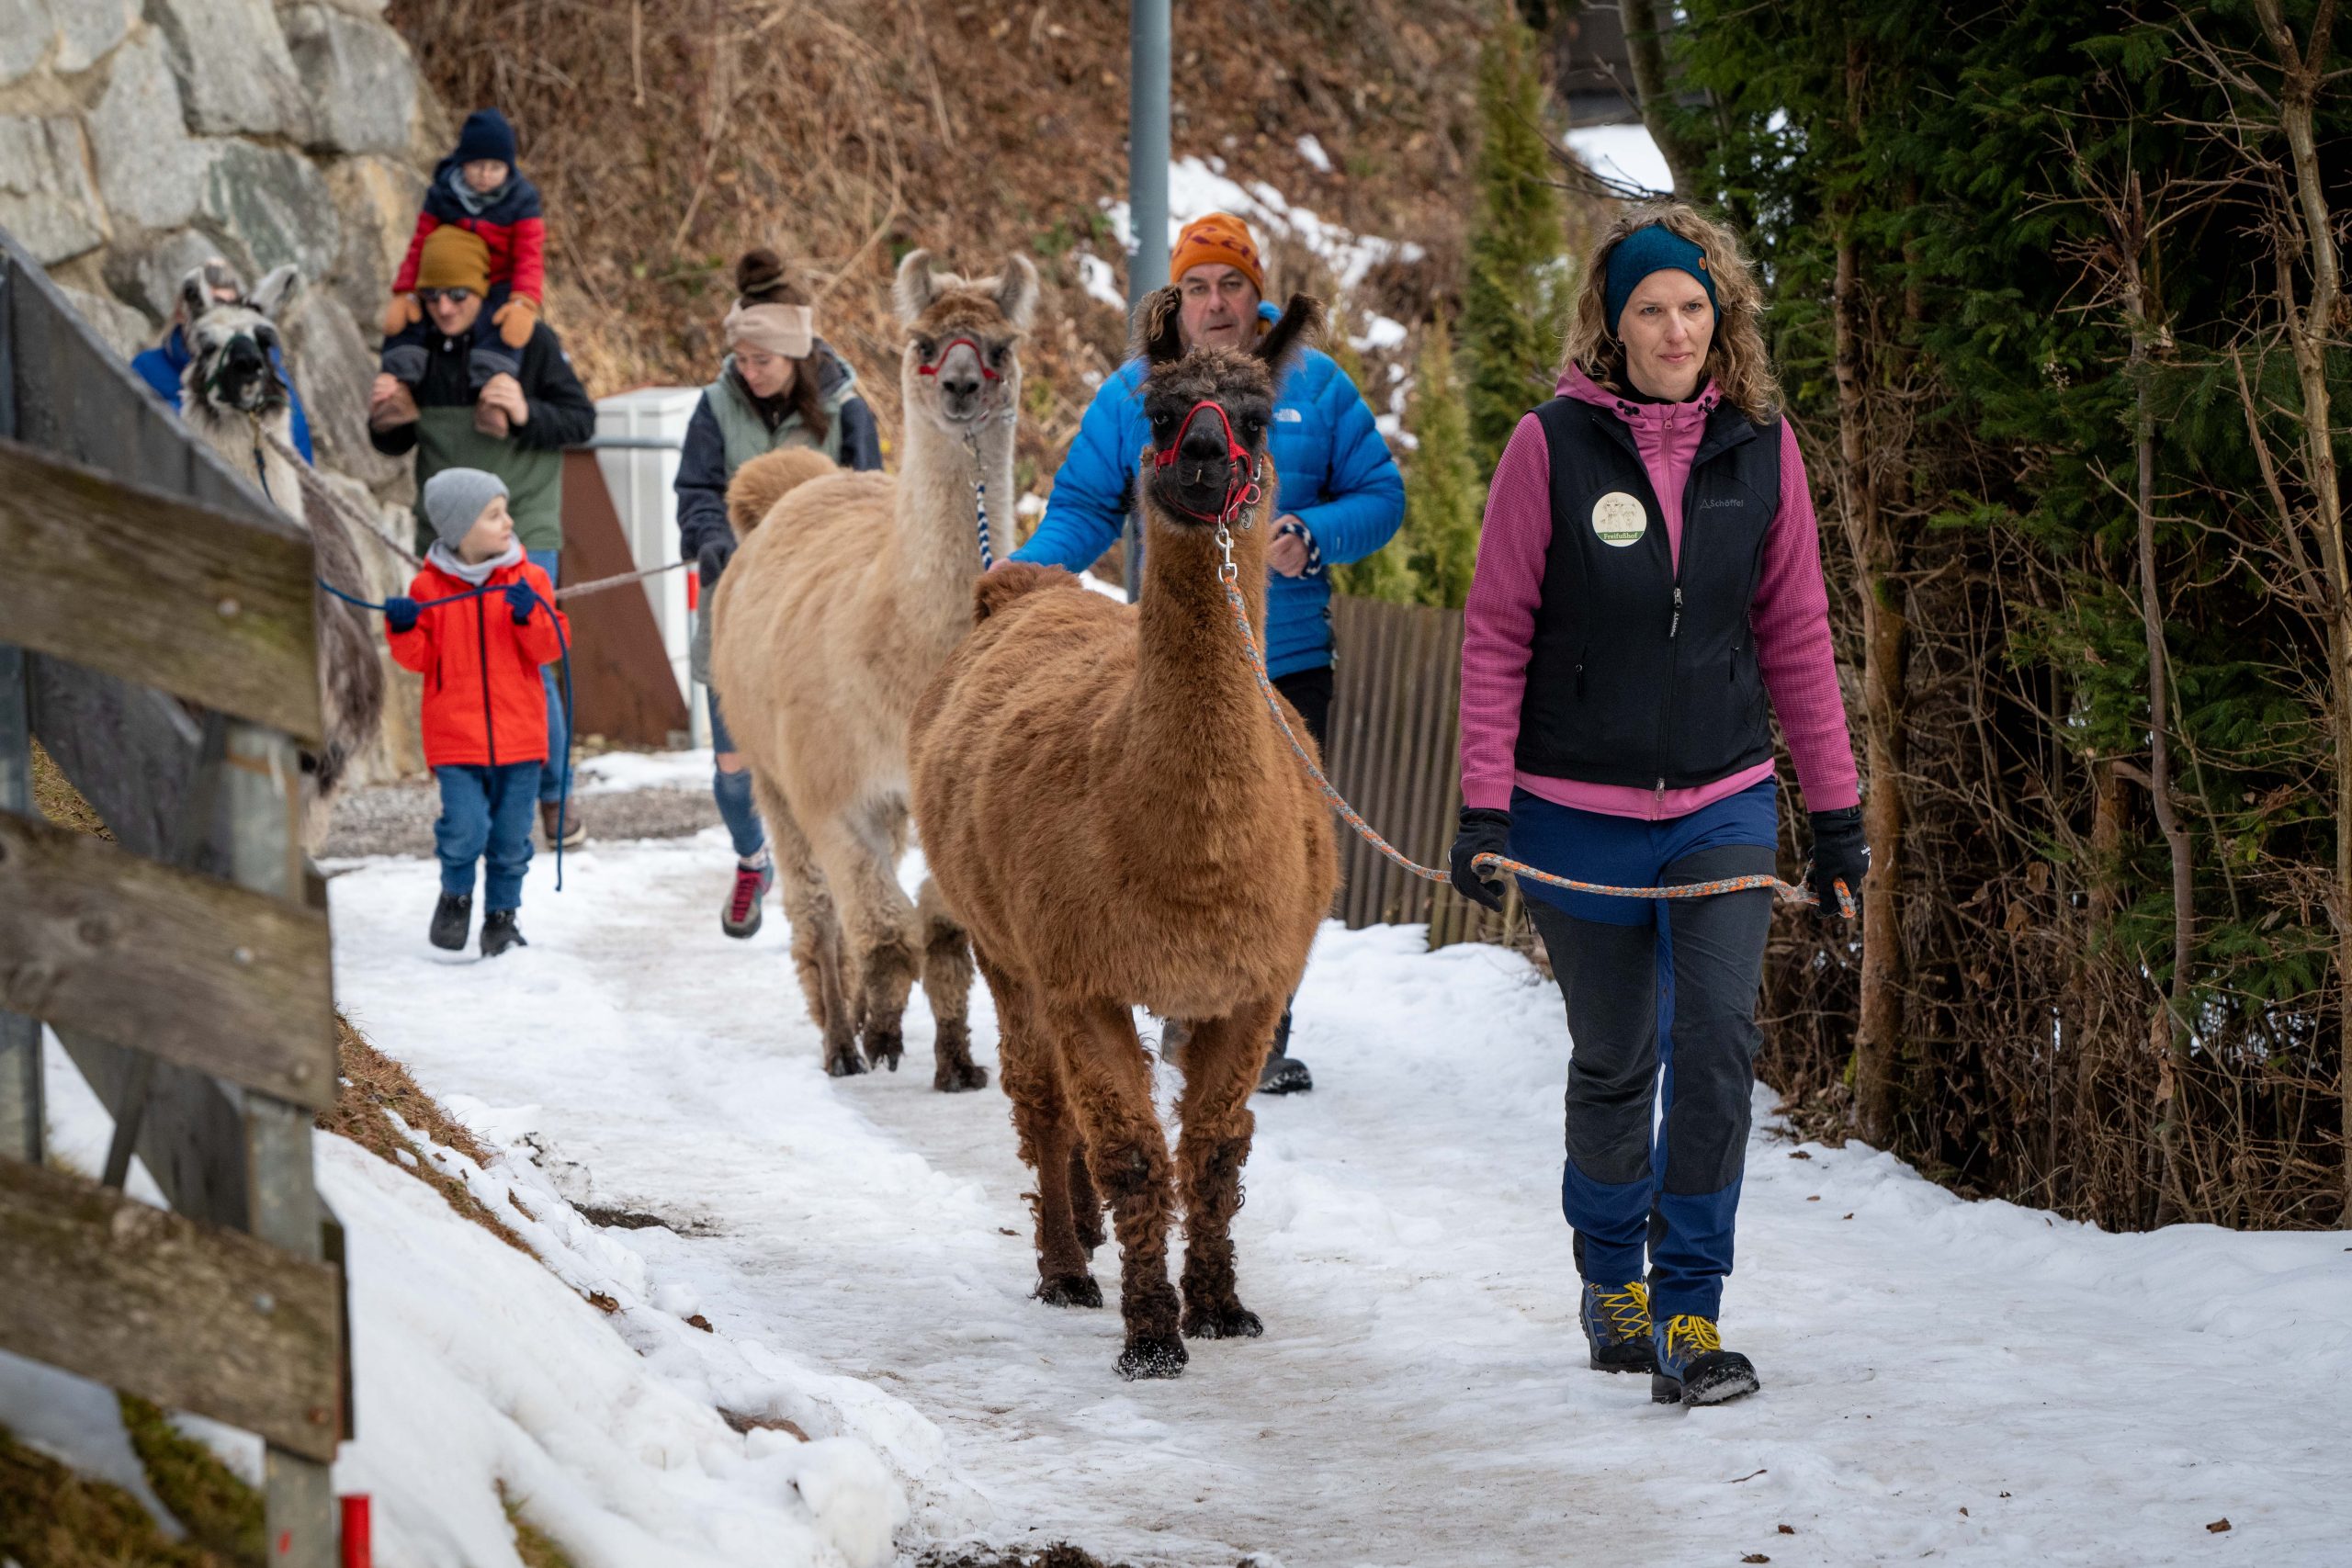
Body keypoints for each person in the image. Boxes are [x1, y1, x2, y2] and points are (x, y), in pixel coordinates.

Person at [1448, 202, 1869, 1407]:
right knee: (1617, 1054)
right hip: (1571, 810)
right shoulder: (1550, 448)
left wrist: (1836, 818)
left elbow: (1797, 635)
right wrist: (1484, 808)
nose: (1676, 328)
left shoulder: (1763, 446)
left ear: (1718, 315)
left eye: (1693, 305)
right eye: (1651, 309)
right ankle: (1610, 1275)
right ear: (1613, 322)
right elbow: (1497, 631)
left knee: (1719, 1046)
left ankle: (1691, 1304)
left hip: (1720, 804)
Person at [1012, 211, 1404, 1094]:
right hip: (1180, 659)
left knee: (1273, 853)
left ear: (1256, 294)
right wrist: (1026, 573)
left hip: (1287, 659)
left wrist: (1315, 532)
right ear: (1176, 298)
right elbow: (1084, 505)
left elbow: (1381, 494)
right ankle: (1176, 993)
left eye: (1232, 285)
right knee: (1174, 834)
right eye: (1197, 286)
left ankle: (1257, 1034)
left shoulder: (1316, 386)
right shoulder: (1138, 393)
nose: (1216, 303)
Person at [673, 248, 882, 938]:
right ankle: (751, 858)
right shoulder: (715, 407)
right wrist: (710, 537)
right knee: (734, 766)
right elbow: (695, 490)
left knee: (818, 758)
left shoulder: (846, 411)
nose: (749, 370)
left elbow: (871, 502)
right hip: (736, 599)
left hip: (819, 612)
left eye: (762, 359)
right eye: (741, 358)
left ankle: (826, 871)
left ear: (794, 356)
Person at [368, 225, 596, 849]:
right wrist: (386, 415)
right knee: (454, 659)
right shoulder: (413, 343)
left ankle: (554, 795)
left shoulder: (529, 341)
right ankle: (475, 794)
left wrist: (524, 411)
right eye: (432, 295)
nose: (443, 307)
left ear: (483, 291)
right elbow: (395, 442)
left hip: (520, 520)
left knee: (528, 659)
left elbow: (580, 420)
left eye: (458, 295)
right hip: (444, 532)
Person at [383, 469, 569, 958]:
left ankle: (501, 919)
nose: (509, 522)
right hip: (456, 739)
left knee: (511, 838)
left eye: (505, 511)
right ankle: (456, 896)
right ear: (460, 528)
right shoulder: (428, 588)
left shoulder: (529, 580)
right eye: (494, 515)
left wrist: (530, 616)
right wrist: (403, 629)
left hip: (520, 739)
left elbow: (550, 648)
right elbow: (418, 659)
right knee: (465, 828)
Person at [380, 108, 546, 423]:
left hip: (497, 282)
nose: (485, 175)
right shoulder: (442, 193)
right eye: (477, 165)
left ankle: (492, 397)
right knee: (410, 320)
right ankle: (398, 390)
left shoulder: (522, 200)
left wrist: (523, 300)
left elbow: (529, 256)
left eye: (495, 167)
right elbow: (419, 245)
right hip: (446, 278)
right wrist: (406, 291)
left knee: (500, 330)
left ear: (509, 168)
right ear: (462, 163)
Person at [130, 255, 316, 460]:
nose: (223, 316)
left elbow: (298, 446)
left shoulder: (269, 379)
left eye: (230, 305)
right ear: (185, 310)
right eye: (215, 304)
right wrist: (196, 409)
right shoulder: (148, 368)